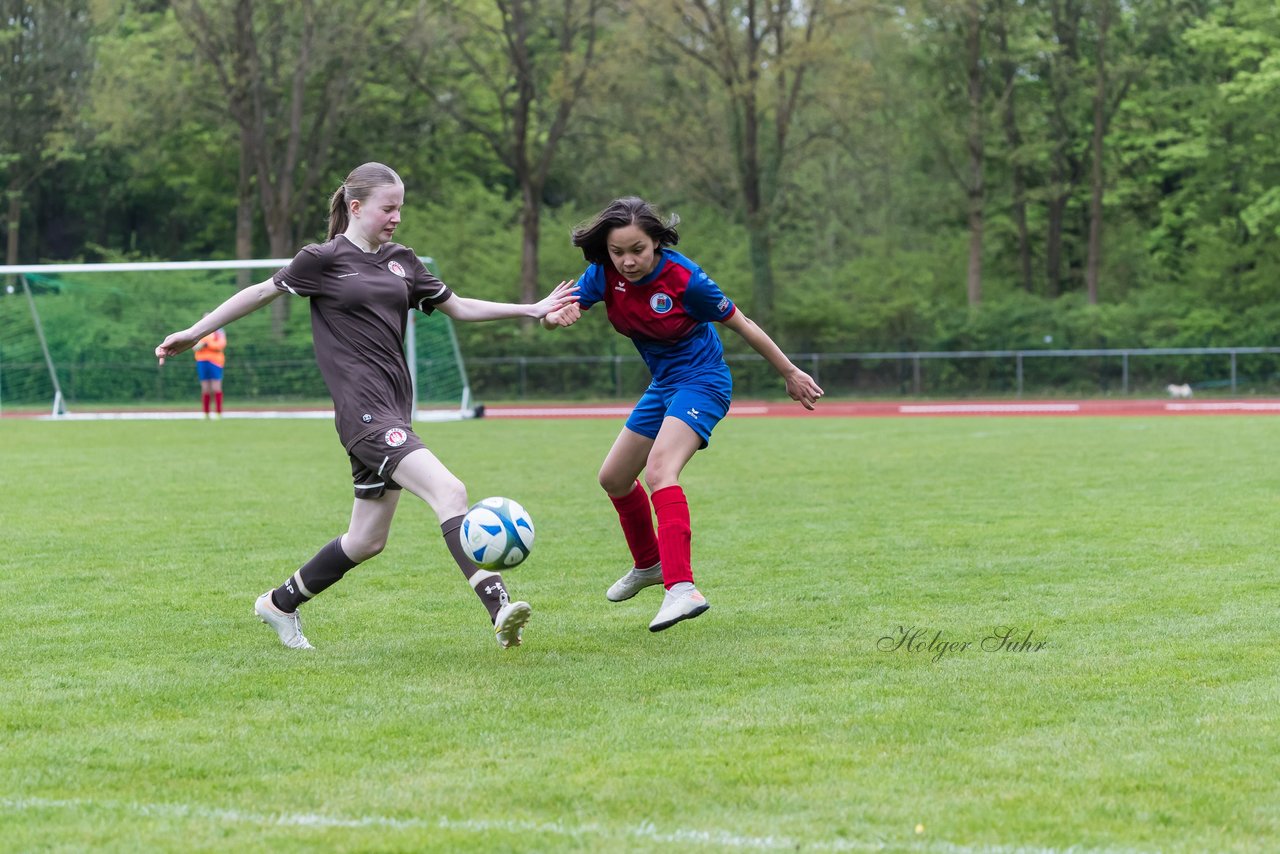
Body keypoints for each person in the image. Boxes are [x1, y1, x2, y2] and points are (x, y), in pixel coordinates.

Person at [156, 162, 578, 650]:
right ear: (356, 208)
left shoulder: (404, 261)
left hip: (396, 408)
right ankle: (499, 607)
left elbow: (459, 307)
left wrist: (530, 308)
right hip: (363, 411)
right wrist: (195, 332)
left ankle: (278, 603)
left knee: (366, 541)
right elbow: (259, 293)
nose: (397, 216)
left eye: (401, 207)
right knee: (450, 491)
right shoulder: (322, 259)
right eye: (388, 207)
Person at [541, 197, 823, 632]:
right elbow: (555, 312)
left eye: (637, 249)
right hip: (664, 386)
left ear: (656, 243)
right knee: (613, 478)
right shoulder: (603, 275)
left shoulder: (686, 280)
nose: (628, 261)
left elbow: (743, 323)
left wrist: (789, 372)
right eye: (618, 252)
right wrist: (555, 319)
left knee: (660, 471)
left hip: (704, 381)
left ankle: (682, 588)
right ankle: (649, 565)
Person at [193, 317, 226, 418]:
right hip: (202, 361)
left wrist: (206, 344)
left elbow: (221, 345)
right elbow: (194, 347)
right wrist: (200, 345)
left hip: (215, 361)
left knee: (216, 387)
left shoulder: (219, 331)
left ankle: (218, 412)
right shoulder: (198, 331)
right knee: (205, 388)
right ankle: (206, 413)